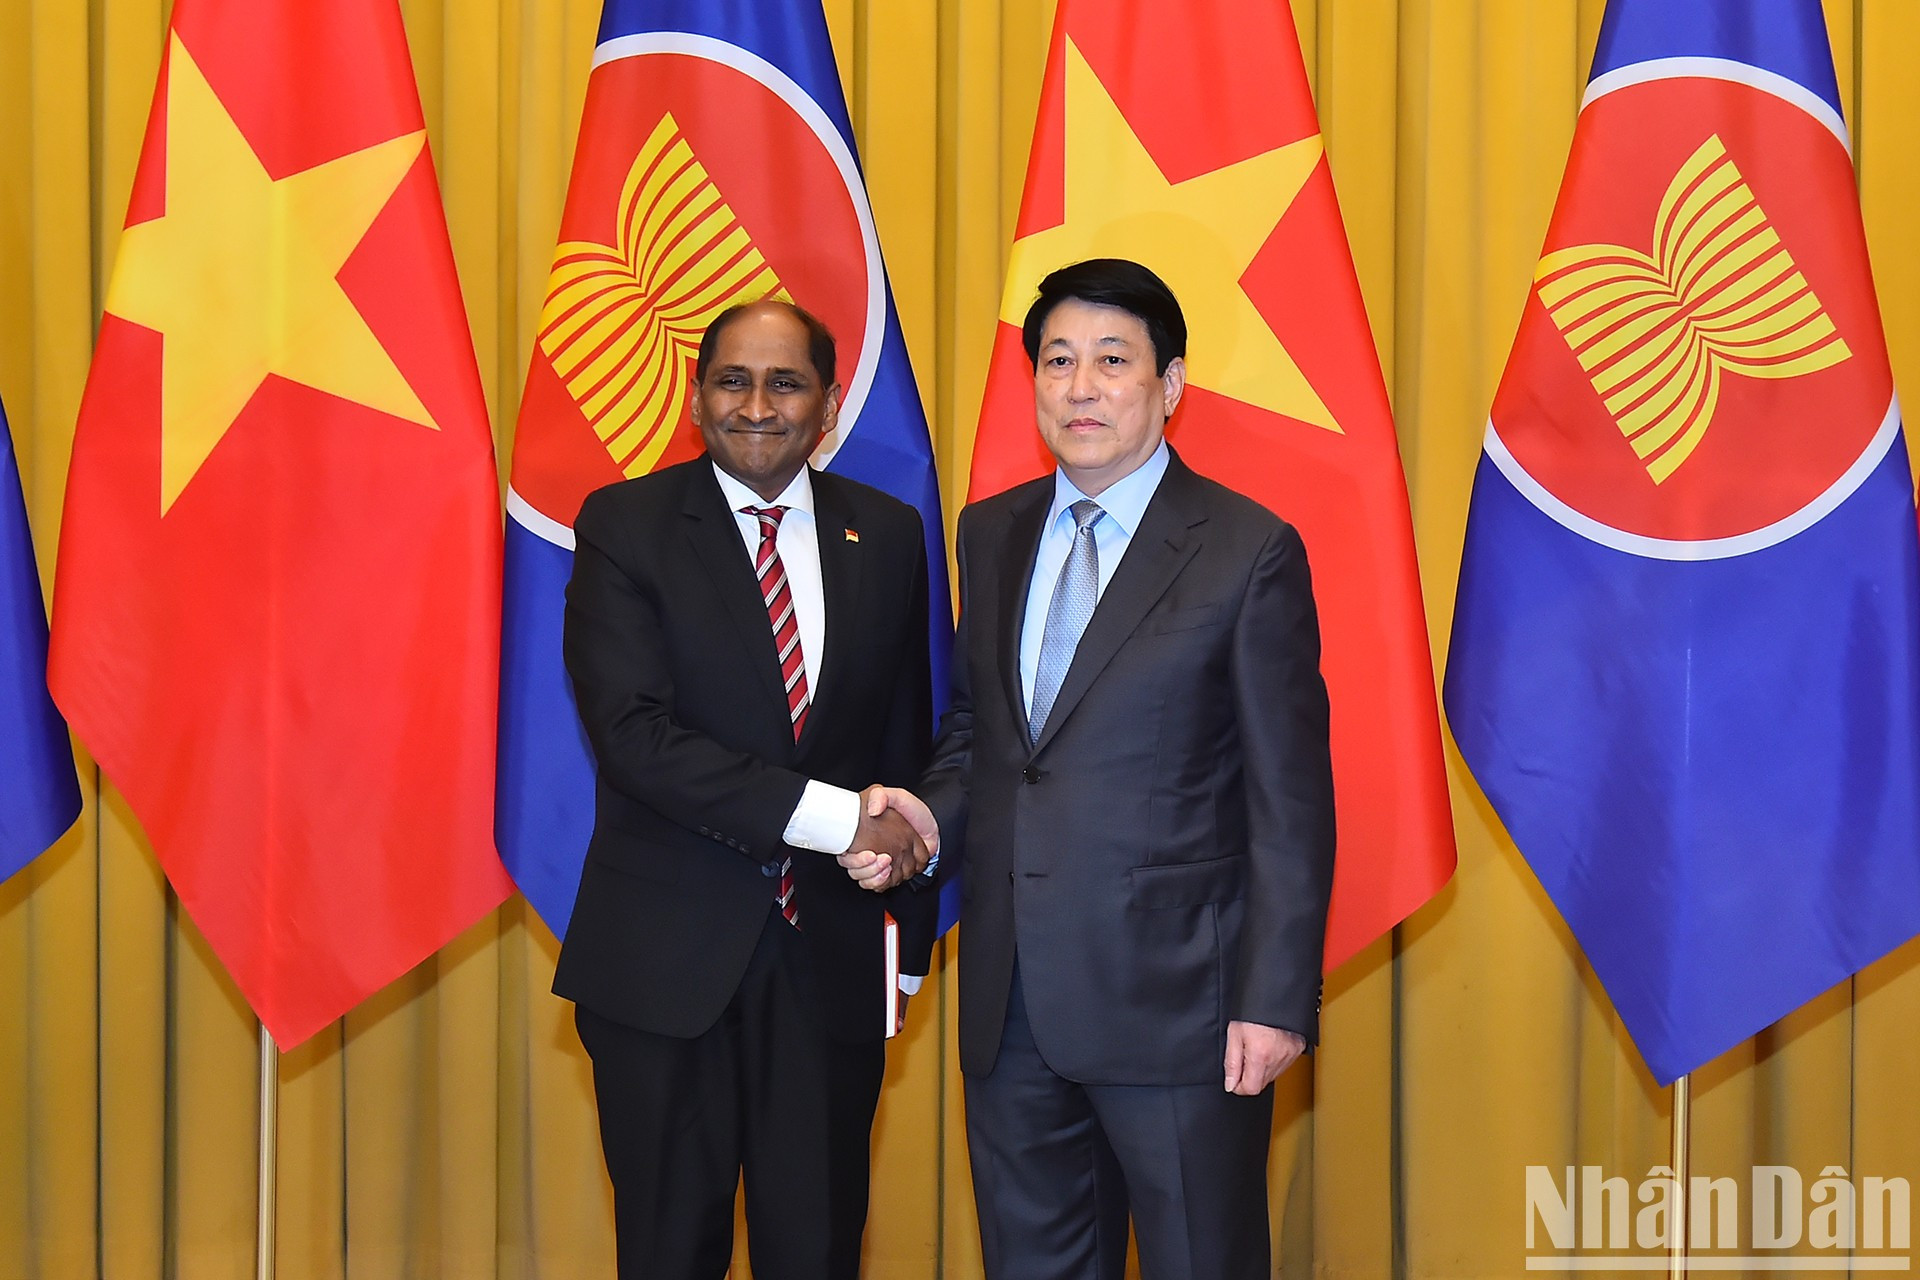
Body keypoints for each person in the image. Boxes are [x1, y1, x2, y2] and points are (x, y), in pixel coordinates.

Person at [858, 258, 1336, 1279]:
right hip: (1011, 999)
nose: (1080, 387)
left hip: (1183, 1013)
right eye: (1058, 360)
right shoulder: (992, 533)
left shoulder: (1247, 550)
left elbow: (1290, 799)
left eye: (1113, 361)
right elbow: (982, 735)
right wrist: (923, 824)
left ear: (1170, 386)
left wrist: (1275, 996)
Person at [553, 298, 938, 1280]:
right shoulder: (625, 525)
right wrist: (836, 815)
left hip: (832, 962)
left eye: (786, 381)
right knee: (669, 1251)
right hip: (665, 966)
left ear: (828, 399)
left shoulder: (888, 535)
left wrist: (909, 942)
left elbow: (906, 744)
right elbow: (636, 738)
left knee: (817, 1252)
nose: (757, 404)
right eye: (733, 379)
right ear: (696, 396)